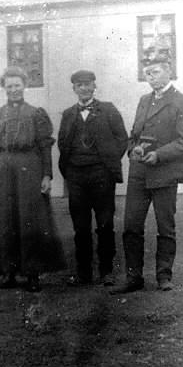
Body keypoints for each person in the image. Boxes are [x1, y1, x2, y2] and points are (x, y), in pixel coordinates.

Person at [0, 66, 66, 292]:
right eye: (9, 86)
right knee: (3, 219)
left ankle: (32, 273)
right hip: (2, 168)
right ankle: (8, 273)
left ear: (24, 86)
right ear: (4, 88)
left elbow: (44, 146)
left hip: (29, 167)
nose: (13, 89)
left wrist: (47, 175)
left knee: (30, 219)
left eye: (17, 85)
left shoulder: (36, 113)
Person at [115, 46, 183, 294]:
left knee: (165, 227)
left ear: (168, 70)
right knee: (131, 227)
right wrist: (135, 149)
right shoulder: (143, 101)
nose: (151, 77)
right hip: (139, 173)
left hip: (165, 173)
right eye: (147, 73)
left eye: (156, 71)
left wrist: (158, 155)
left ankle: (164, 276)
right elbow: (134, 135)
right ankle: (133, 277)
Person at [58, 70, 128, 287]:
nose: (84, 88)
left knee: (105, 224)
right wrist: (70, 171)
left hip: (101, 175)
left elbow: (122, 138)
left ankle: (106, 271)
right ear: (74, 89)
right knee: (80, 226)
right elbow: (62, 143)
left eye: (88, 84)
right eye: (79, 85)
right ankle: (84, 272)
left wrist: (108, 162)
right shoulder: (68, 114)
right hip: (76, 176)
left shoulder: (108, 109)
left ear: (94, 86)